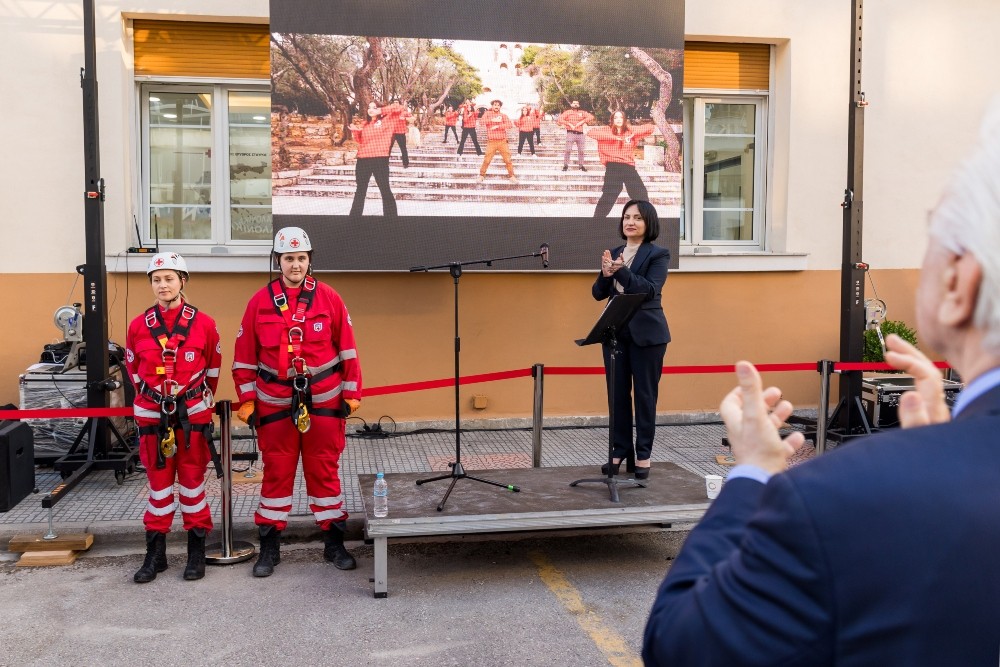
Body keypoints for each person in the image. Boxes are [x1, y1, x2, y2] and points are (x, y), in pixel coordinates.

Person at [643, 100, 1000, 666]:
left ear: (961, 285)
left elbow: (680, 644)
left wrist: (752, 472)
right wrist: (941, 452)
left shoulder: (836, 497)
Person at [233, 227, 363, 577]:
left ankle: (334, 544)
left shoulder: (330, 298)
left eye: (301, 258)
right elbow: (244, 358)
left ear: (309, 260)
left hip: (324, 400)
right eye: (289, 258)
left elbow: (348, 350)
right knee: (276, 474)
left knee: (324, 472)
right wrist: (247, 400)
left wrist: (352, 394)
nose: (295, 265)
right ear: (278, 261)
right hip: (274, 402)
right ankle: (269, 548)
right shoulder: (259, 302)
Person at [125, 252, 221, 583]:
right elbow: (133, 371)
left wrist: (194, 402)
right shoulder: (138, 326)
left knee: (193, 487)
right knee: (159, 489)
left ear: (183, 280)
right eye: (156, 279)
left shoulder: (205, 324)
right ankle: (156, 556)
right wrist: (154, 400)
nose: (162, 285)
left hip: (192, 419)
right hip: (153, 420)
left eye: (169, 278)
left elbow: (213, 372)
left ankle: (196, 554)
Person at [592, 200, 670, 479]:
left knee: (645, 397)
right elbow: (598, 293)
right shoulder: (615, 253)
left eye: (637, 217)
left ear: (649, 223)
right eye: (626, 217)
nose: (630, 222)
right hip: (615, 333)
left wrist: (620, 270)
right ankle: (620, 450)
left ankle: (643, 455)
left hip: (648, 336)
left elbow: (648, 290)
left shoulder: (658, 254)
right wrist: (605, 275)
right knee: (617, 396)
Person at [587, 110, 655, 218]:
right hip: (613, 166)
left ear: (624, 119)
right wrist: (615, 137)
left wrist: (633, 133)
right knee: (609, 195)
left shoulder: (629, 130)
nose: (618, 119)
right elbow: (591, 133)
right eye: (616, 117)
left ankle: (646, 220)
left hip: (628, 167)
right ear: (612, 120)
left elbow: (650, 128)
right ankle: (596, 221)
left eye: (621, 117)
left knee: (640, 193)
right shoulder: (606, 130)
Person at [348, 101, 404, 217]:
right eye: (369, 107)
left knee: (385, 190)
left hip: (380, 159)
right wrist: (355, 131)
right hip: (363, 160)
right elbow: (361, 141)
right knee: (360, 190)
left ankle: (391, 220)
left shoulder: (388, 120)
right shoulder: (365, 124)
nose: (371, 109)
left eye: (374, 107)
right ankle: (354, 219)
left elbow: (399, 107)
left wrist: (381, 110)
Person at [478, 99, 517, 183]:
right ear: (492, 106)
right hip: (491, 141)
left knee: (508, 160)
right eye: (495, 105)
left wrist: (498, 126)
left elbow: (510, 125)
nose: (496, 106)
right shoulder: (487, 114)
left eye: (498, 105)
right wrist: (492, 120)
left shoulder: (503, 115)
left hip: (502, 141)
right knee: (487, 160)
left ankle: (512, 176)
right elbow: (481, 122)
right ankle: (481, 175)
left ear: (500, 107)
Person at [557, 100, 595, 172]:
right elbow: (560, 119)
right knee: (568, 150)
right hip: (570, 133)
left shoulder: (582, 112)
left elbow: (591, 117)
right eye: (574, 103)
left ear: (579, 105)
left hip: (580, 134)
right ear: (571, 104)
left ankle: (581, 166)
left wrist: (582, 122)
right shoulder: (568, 112)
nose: (575, 104)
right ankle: (565, 165)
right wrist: (568, 124)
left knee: (581, 151)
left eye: (577, 103)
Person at [388, 99, 411, 168]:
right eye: (394, 102)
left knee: (403, 148)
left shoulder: (403, 111)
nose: (395, 103)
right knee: (388, 148)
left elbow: (411, 117)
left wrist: (406, 118)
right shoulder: (390, 112)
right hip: (392, 132)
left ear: (399, 103)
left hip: (400, 132)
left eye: (397, 102)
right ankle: (385, 163)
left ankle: (405, 163)